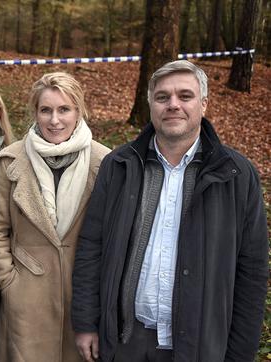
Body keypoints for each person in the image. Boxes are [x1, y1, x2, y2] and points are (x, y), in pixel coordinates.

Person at [72, 60, 268, 362]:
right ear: (150, 104)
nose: (173, 105)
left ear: (204, 103)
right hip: (126, 341)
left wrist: (240, 352)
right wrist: (86, 323)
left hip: (200, 345)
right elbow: (91, 247)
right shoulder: (120, 165)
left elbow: (251, 271)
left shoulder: (237, 175)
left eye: (185, 96)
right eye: (163, 97)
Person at [0, 72, 110, 361]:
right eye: (46, 110)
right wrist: (9, 281)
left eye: (64, 109)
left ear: (79, 111)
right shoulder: (12, 162)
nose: (55, 120)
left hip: (84, 300)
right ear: (35, 113)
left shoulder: (105, 163)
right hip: (26, 301)